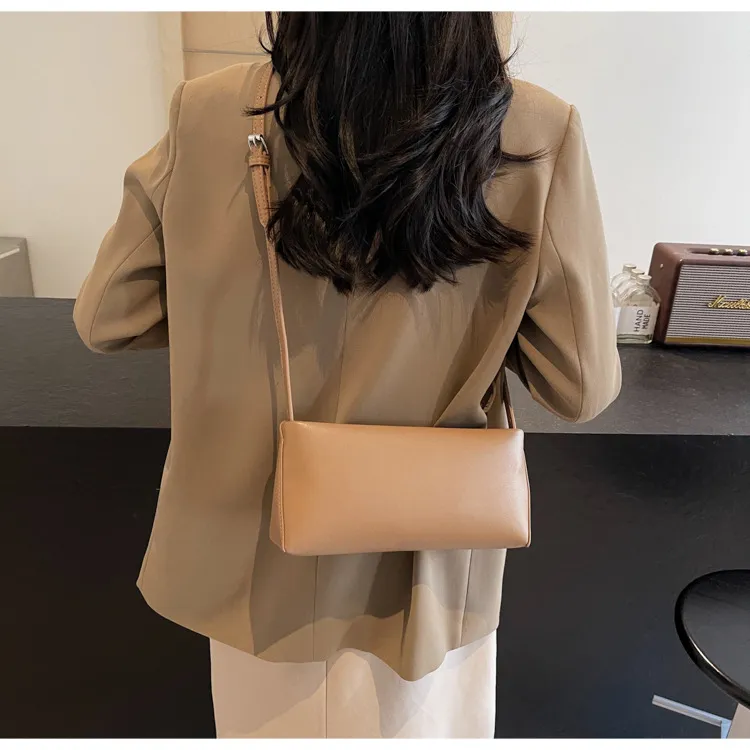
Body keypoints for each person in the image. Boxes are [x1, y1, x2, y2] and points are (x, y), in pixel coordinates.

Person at [73, 11, 620, 739]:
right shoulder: (536, 130)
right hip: (425, 575)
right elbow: (579, 387)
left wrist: (225, 314)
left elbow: (109, 316)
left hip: (256, 571)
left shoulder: (212, 111)